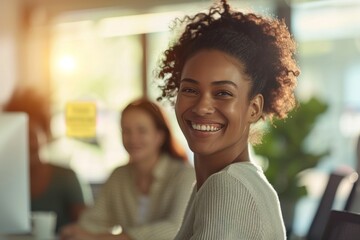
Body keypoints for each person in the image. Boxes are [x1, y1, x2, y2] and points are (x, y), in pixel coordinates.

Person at [155, 0, 300, 239]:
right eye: (190, 90)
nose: (202, 107)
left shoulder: (228, 187)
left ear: (253, 108)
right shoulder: (226, 182)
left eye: (223, 93)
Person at [60, 98, 195, 240]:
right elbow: (93, 221)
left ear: (159, 136)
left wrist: (113, 238)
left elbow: (175, 228)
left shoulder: (185, 176)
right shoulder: (119, 175)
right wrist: (73, 232)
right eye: (126, 131)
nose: (133, 138)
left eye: (141, 131)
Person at [2, 86, 88, 232]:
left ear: (45, 135)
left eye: (31, 136)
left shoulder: (66, 178)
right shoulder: (3, 179)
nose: (25, 144)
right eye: (18, 137)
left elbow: (85, 227)